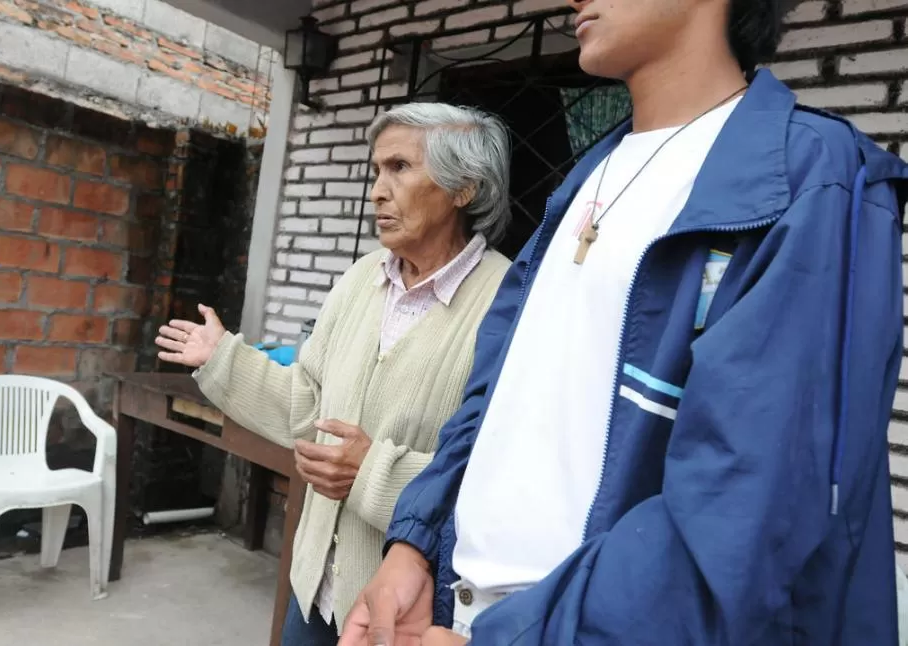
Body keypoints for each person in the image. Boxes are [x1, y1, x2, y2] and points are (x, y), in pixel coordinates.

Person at [340, 0, 908, 644]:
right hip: (465, 614)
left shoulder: (810, 178)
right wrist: (412, 546)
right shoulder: (588, 177)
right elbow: (494, 393)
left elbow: (746, 510)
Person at [154, 103, 512, 645]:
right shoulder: (361, 279)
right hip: (313, 586)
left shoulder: (507, 305)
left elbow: (499, 479)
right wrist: (222, 358)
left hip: (404, 615)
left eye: (399, 168)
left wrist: (371, 473)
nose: (377, 189)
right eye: (376, 170)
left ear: (464, 189)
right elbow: (308, 409)